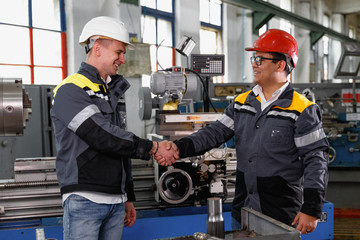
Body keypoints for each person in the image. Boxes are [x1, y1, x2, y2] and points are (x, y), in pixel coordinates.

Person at [157, 29, 329, 235]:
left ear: (281, 64)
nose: (254, 63)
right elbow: (214, 133)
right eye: (253, 58)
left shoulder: (301, 109)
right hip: (244, 209)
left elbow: (316, 159)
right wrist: (177, 147)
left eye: (260, 59)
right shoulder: (241, 103)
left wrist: (311, 208)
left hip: (281, 213)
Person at [50, 16, 176, 240]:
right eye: (119, 52)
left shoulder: (112, 93)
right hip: (85, 199)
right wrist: (153, 147)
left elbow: (121, 145)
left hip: (115, 202)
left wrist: (127, 196)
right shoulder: (70, 90)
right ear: (97, 48)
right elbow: (100, 135)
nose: (123, 60)